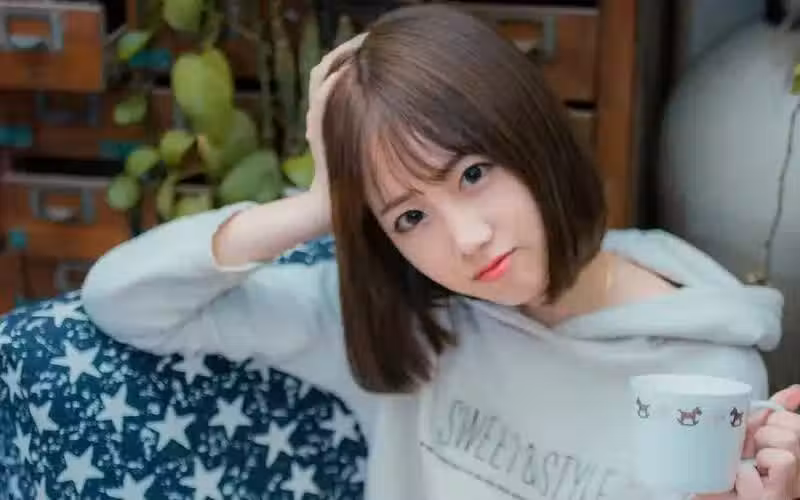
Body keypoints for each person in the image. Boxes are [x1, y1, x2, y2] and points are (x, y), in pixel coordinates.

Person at [82, 4, 800, 500]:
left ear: (531, 135)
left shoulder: (705, 374)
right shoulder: (404, 322)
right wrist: (319, 205)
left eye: (474, 174)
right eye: (410, 216)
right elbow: (123, 300)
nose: (466, 239)